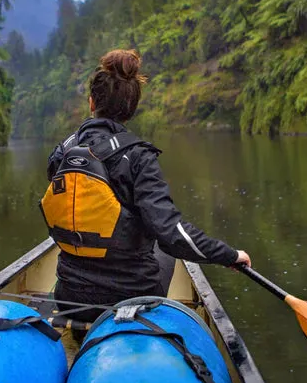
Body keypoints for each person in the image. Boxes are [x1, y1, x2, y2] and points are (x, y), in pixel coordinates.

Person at [42, 49, 251, 321]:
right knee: (164, 250)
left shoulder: (63, 153)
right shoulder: (138, 156)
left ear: (92, 103)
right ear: (131, 110)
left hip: (69, 297)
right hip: (130, 298)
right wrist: (229, 255)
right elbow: (172, 235)